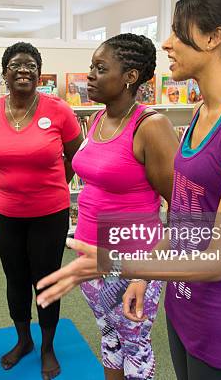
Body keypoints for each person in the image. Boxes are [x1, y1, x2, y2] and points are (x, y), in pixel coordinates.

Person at [36, 0, 221, 380]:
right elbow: (183, 220)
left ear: (212, 37)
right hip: (183, 302)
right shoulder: (202, 113)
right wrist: (144, 275)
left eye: (177, 32)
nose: (166, 44)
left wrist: (111, 263)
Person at [73, 33, 177, 379]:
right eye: (91, 67)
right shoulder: (98, 119)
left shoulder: (152, 126)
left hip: (133, 259)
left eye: (100, 68)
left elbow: (181, 208)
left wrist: (147, 276)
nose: (90, 76)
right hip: (91, 253)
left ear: (130, 76)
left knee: (135, 343)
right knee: (110, 337)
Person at [0, 42, 83, 380]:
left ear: (39, 74)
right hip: (5, 213)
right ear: (5, 72)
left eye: (31, 66)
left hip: (49, 213)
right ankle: (23, 340)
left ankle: (47, 345)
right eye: (16, 65)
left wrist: (49, 188)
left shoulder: (60, 110)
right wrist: (12, 187)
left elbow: (73, 156)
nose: (24, 71)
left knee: (47, 280)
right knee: (16, 278)